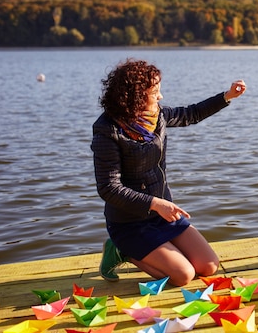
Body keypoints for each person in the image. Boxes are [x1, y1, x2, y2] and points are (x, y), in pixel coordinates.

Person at [91, 59, 246, 286]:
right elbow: (108, 188)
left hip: (163, 214)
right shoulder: (107, 130)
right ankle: (122, 250)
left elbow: (191, 113)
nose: (161, 97)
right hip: (129, 222)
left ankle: (152, 250)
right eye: (154, 92)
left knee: (208, 266)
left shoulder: (157, 115)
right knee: (183, 276)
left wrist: (227, 96)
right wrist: (154, 203)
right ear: (134, 95)